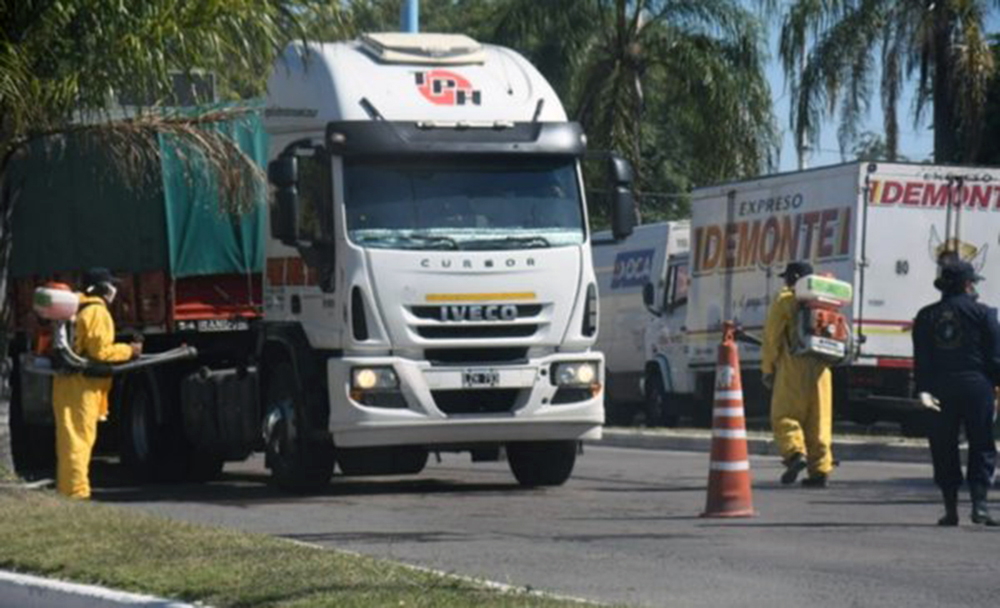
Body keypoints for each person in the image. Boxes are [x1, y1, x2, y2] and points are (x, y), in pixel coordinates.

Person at [912, 259, 999, 526]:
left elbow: (921, 359)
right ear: (967, 284)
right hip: (977, 387)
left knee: (943, 447)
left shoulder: (926, 316)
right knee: (981, 444)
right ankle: (980, 507)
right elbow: (996, 355)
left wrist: (923, 390)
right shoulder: (984, 313)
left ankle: (951, 510)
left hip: (939, 388)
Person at [51, 268, 141, 499]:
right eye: (111, 285)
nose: (114, 289)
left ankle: (68, 490)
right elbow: (100, 352)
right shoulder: (97, 312)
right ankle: (77, 493)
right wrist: (129, 350)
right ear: (101, 288)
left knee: (69, 440)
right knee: (80, 440)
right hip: (83, 386)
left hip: (67, 384)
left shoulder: (78, 308)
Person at [761, 261, 834, 488]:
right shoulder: (825, 301)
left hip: (793, 364)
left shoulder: (785, 299)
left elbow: (772, 337)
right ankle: (819, 471)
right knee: (819, 421)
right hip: (822, 368)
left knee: (784, 415)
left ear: (792, 278)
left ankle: (795, 455)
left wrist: (768, 369)